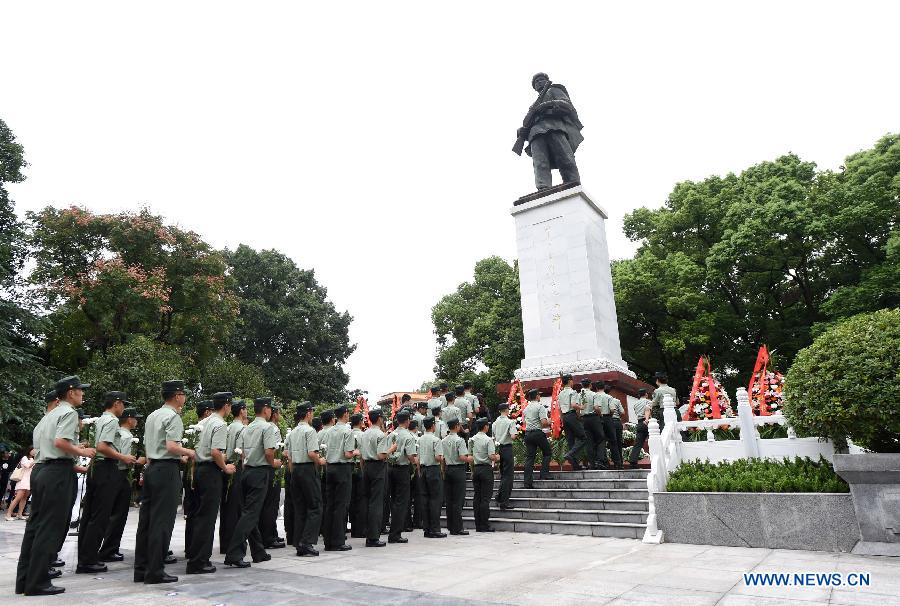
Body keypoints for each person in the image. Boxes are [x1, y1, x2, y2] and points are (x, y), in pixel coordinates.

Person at [16, 375, 95, 597]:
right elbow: (60, 443)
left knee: (35, 527)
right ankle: (39, 581)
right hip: (57, 473)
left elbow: (49, 445)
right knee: (49, 527)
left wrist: (72, 448)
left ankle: (25, 580)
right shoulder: (68, 413)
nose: (83, 394)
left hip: (42, 471)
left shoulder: (48, 416)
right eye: (80, 390)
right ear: (70, 392)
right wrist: (82, 451)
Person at [133, 380, 193, 585]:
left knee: (146, 521)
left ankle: (141, 569)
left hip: (152, 468)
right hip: (166, 470)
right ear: (177, 396)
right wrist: (189, 452)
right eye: (183, 394)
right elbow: (171, 446)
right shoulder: (173, 416)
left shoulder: (152, 416)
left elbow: (152, 447)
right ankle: (155, 571)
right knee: (162, 522)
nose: (184, 398)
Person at [78, 391, 134, 573]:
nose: (123, 408)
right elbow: (103, 446)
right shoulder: (111, 421)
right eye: (123, 404)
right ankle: (89, 560)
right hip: (106, 467)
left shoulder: (100, 420)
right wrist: (123, 457)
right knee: (100, 516)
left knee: (89, 515)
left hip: (97, 468)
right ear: (116, 403)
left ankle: (85, 557)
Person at [225, 397, 280, 567]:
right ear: (265, 410)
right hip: (260, 471)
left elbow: (241, 453)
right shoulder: (267, 427)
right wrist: (274, 463)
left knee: (250, 513)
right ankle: (234, 554)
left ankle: (258, 551)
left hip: (247, 471)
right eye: (270, 408)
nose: (271, 411)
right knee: (250, 514)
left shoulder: (246, 428)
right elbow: (269, 452)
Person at [186, 392, 236, 574]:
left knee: (199, 515)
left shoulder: (202, 423)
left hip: (199, 469)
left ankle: (195, 556)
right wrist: (225, 467)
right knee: (207, 517)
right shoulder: (220, 424)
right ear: (227, 406)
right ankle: (199, 561)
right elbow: (216, 452)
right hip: (210, 471)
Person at [513, 72, 584, 190]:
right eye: (536, 82)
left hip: (554, 126)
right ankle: (543, 188)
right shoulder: (533, 105)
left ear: (547, 81)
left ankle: (573, 183)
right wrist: (522, 131)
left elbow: (567, 105)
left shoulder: (554, 90)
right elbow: (526, 123)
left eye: (541, 80)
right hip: (535, 133)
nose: (539, 82)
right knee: (540, 163)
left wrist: (548, 104)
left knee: (565, 158)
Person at [98, 406, 145, 563]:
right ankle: (110, 549)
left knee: (114, 514)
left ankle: (109, 548)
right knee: (118, 515)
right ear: (129, 419)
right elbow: (123, 458)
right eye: (135, 418)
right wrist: (138, 461)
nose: (137, 421)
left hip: (116, 475)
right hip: (120, 474)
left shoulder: (122, 433)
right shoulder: (126, 436)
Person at [284, 403, 322, 557]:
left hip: (296, 470)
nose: (312, 415)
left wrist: (293, 473)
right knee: (315, 506)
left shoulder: (292, 433)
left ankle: (299, 542)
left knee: (300, 508)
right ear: (308, 413)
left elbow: (289, 457)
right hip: (307, 469)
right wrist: (320, 462)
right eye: (312, 412)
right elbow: (312, 453)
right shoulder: (309, 430)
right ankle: (306, 542)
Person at [322, 405, 357, 551]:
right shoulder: (347, 431)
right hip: (343, 469)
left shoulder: (329, 431)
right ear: (346, 414)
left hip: (330, 468)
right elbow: (348, 454)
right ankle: (337, 541)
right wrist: (356, 452)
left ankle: (328, 540)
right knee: (341, 505)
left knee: (330, 504)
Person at [359, 409, 395, 547]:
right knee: (377, 502)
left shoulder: (365, 433)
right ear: (379, 419)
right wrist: (392, 448)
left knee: (368, 501)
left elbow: (362, 456)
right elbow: (381, 455)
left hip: (367, 466)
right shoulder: (380, 434)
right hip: (378, 467)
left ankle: (368, 533)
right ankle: (373, 536)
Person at [183, 400, 213, 555]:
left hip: (192, 473)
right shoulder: (202, 430)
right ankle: (194, 548)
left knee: (192, 510)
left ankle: (190, 547)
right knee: (198, 511)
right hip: (196, 472)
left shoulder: (193, 430)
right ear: (207, 412)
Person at [219, 399, 248, 555]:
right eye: (245, 409)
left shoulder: (228, 427)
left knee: (226, 507)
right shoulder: (242, 429)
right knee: (236, 509)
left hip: (225, 465)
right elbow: (242, 451)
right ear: (242, 411)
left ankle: (225, 542)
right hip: (236, 467)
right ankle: (233, 544)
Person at [387, 411, 417, 544]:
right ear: (408, 421)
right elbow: (410, 456)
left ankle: (393, 530)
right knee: (401, 502)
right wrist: (416, 461)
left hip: (390, 468)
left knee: (394, 500)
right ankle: (395, 534)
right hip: (402, 470)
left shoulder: (391, 434)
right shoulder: (408, 436)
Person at [258, 404, 284, 550]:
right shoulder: (272, 428)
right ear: (274, 414)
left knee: (269, 504)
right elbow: (271, 450)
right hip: (271, 467)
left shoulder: (268, 427)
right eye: (278, 412)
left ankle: (271, 533)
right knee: (271, 504)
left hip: (266, 467)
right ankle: (268, 537)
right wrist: (275, 462)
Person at [441, 419, 471, 536]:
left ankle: (450, 526)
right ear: (457, 426)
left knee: (449, 499)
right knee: (458, 500)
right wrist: (472, 459)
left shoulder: (443, 440)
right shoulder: (460, 440)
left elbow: (442, 458)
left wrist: (443, 471)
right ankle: (458, 528)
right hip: (458, 470)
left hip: (448, 469)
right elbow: (462, 457)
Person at [469, 418, 499, 532]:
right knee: (485, 499)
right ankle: (484, 525)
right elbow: (491, 456)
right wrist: (497, 457)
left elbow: (470, 456)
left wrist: (472, 471)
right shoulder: (488, 439)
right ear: (486, 427)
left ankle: (478, 524)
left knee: (477, 497)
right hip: (486, 470)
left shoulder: (472, 439)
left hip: (476, 469)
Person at [417, 417, 445, 538]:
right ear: (433, 426)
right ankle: (435, 529)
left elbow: (417, 458)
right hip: (433, 470)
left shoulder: (420, 439)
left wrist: (419, 471)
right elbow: (438, 457)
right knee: (435, 500)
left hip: (422, 470)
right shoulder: (436, 439)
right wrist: (443, 459)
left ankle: (426, 529)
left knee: (425, 500)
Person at [522, 388, 551, 489]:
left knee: (530, 458)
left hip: (528, 434)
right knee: (547, 452)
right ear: (537, 396)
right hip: (537, 433)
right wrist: (550, 421)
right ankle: (544, 474)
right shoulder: (540, 407)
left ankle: (527, 482)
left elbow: (524, 423)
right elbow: (543, 423)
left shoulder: (525, 409)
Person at [491, 403, 517, 510]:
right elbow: (513, 436)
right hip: (507, 448)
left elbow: (493, 437)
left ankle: (500, 496)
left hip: (498, 449)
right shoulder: (510, 422)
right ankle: (504, 501)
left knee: (503, 474)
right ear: (506, 410)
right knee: (508, 476)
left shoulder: (494, 423)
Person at [559, 376, 586, 470]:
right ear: (570, 381)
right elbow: (574, 405)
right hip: (571, 415)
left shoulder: (561, 393)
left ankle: (575, 466)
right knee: (583, 437)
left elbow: (559, 409)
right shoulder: (573, 392)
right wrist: (582, 408)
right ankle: (570, 454)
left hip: (565, 417)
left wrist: (562, 420)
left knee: (571, 441)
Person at [582, 380, 607, 469]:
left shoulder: (578, 395)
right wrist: (601, 415)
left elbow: (576, 409)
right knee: (600, 438)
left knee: (589, 442)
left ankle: (591, 463)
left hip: (583, 418)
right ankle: (600, 460)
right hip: (594, 417)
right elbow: (596, 407)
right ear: (590, 385)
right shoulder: (594, 394)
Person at [348, 413, 365, 538]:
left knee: (349, 499)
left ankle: (348, 525)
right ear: (360, 422)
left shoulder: (348, 433)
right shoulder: (362, 435)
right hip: (359, 467)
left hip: (348, 467)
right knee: (360, 498)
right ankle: (358, 529)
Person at [6, 448, 34, 521]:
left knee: (24, 498)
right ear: (29, 450)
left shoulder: (32, 459)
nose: (35, 451)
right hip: (22, 480)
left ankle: (20, 514)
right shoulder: (24, 458)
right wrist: (36, 460)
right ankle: (8, 514)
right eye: (33, 450)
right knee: (18, 498)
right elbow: (28, 466)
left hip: (29, 481)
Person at [629, 389, 652, 468]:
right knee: (652, 441)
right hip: (648, 422)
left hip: (639, 423)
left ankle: (632, 461)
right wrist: (647, 419)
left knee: (638, 444)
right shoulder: (648, 401)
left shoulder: (635, 404)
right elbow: (647, 409)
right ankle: (654, 460)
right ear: (646, 394)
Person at [604, 383, 624, 469]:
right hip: (616, 421)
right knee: (618, 442)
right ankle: (619, 462)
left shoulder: (599, 399)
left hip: (606, 421)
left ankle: (606, 462)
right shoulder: (616, 400)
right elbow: (623, 412)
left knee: (606, 443)